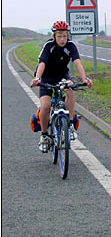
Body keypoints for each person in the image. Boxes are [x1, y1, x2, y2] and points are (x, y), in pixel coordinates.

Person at [30, 20, 92, 152]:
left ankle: (69, 125)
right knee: (45, 106)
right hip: (46, 76)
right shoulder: (49, 46)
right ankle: (45, 135)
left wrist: (84, 79)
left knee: (70, 90)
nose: (62, 39)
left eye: (64, 35)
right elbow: (42, 63)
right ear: (54, 36)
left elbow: (77, 62)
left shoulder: (71, 45)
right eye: (59, 36)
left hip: (62, 75)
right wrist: (37, 78)